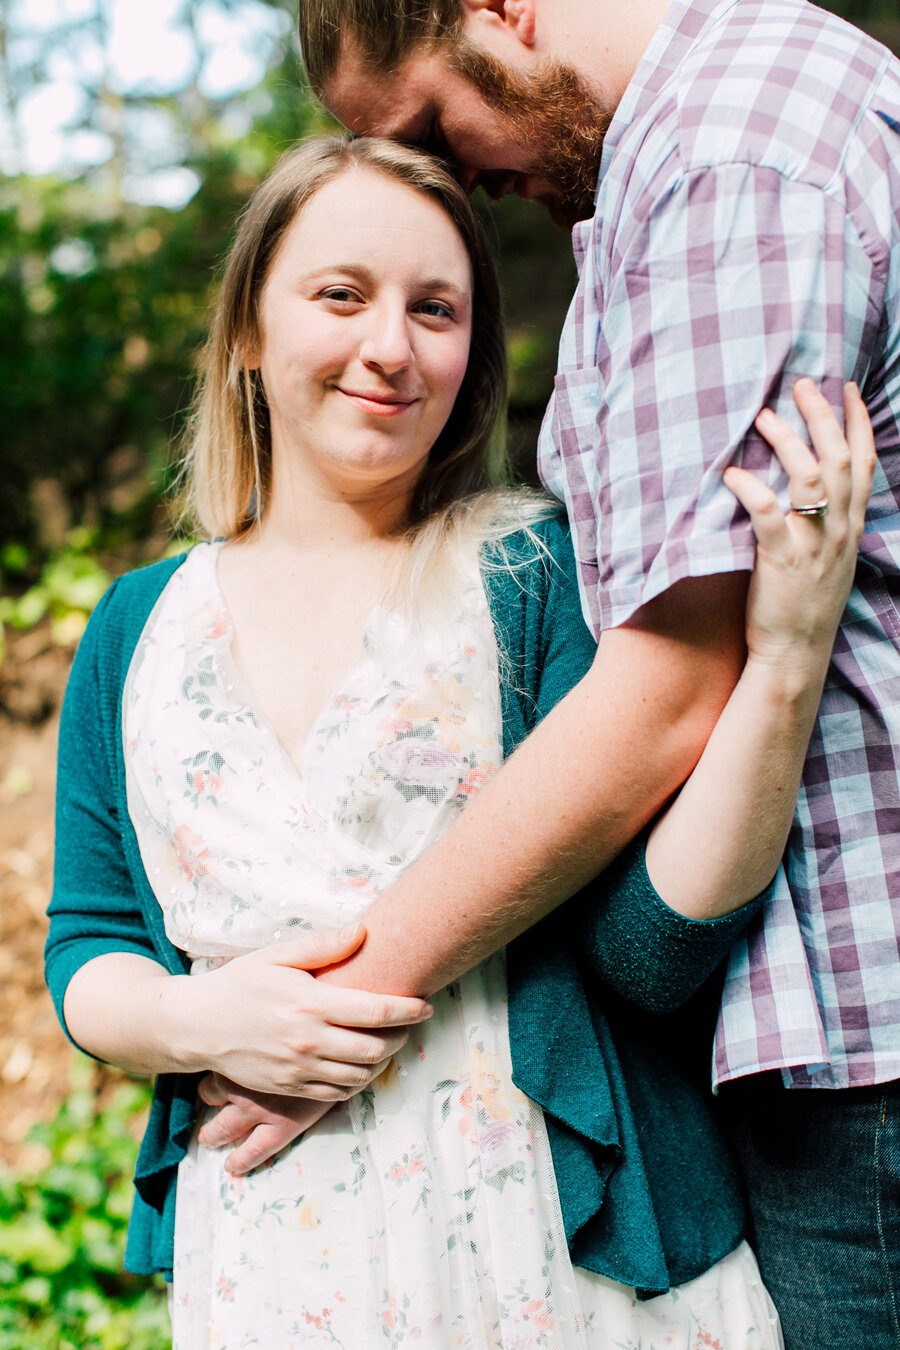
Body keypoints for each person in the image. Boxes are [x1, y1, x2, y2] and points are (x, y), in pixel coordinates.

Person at [45, 134, 870, 1348]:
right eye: (341, 294)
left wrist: (786, 662)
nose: (391, 347)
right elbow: (92, 946)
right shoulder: (135, 627)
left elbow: (652, 949)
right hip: (281, 1252)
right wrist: (198, 1026)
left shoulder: (531, 573)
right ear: (249, 335)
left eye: (437, 309)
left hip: (554, 1246)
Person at [292, 4, 900, 1346]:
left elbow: (672, 687)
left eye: (434, 132)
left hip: (870, 1062)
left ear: (501, 10)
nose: (443, 184)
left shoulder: (730, 163)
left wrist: (325, 1016)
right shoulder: (677, 163)